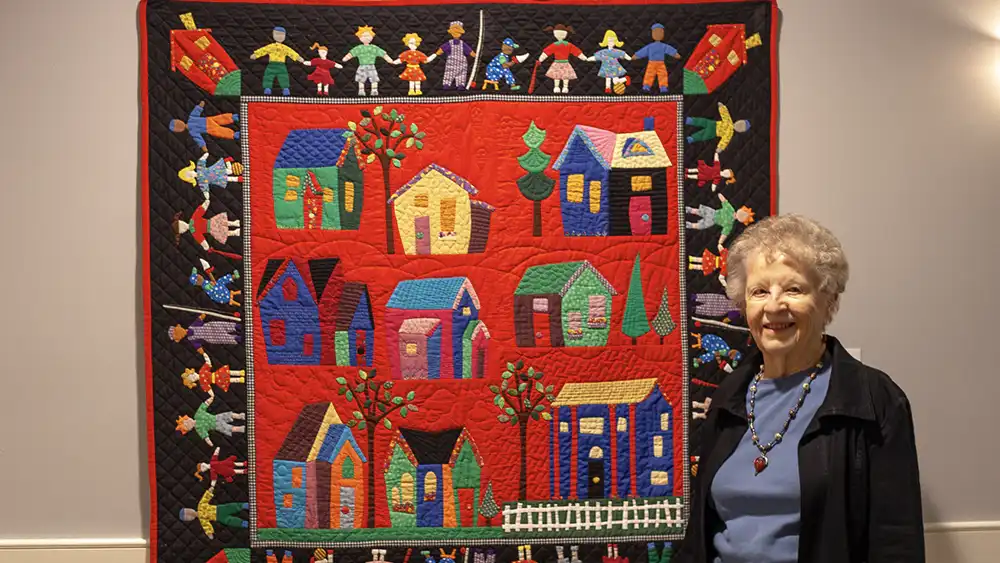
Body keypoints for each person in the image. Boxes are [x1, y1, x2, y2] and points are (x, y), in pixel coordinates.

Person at [675, 215, 924, 562]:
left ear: (828, 301)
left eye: (793, 289)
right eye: (759, 292)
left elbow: (895, 541)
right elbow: (701, 533)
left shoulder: (872, 398)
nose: (774, 306)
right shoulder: (728, 396)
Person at [685, 193, 754, 250]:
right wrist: (720, 242)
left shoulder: (731, 210)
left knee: (699, 212)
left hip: (712, 213)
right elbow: (724, 234)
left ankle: (689, 211)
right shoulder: (730, 224)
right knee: (700, 223)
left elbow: (724, 201)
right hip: (712, 219)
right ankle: (690, 224)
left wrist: (720, 195)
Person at [179, 482, 248, 539]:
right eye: (188, 517)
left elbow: (205, 498)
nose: (190, 516)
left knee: (231, 507)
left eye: (188, 514)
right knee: (230, 520)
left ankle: (242, 506)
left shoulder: (200, 506)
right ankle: (241, 523)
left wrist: (210, 491)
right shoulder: (202, 519)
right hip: (219, 517)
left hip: (219, 509)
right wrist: (209, 534)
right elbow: (206, 526)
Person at [343, 25, 398, 96]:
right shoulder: (359, 48)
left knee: (374, 79)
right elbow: (351, 53)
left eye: (368, 35)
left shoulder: (374, 48)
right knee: (361, 80)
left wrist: (389, 60)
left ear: (372, 37)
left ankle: (374, 90)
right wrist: (346, 58)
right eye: (364, 36)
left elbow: (383, 54)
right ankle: (361, 91)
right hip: (362, 66)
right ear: (360, 37)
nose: (366, 37)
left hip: (371, 66)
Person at [250, 26, 304, 96]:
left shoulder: (285, 48)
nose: (280, 36)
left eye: (282, 35)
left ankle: (285, 88)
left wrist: (298, 57)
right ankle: (267, 88)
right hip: (272, 64)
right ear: (273, 35)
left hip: (281, 65)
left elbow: (291, 52)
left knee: (283, 76)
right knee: (268, 76)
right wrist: (256, 54)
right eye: (277, 34)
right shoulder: (271, 46)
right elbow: (264, 50)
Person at [537, 24, 588, 94]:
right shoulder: (567, 45)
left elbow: (546, 52)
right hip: (564, 63)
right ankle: (563, 87)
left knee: (557, 76)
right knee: (564, 76)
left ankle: (558, 87)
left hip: (558, 62)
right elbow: (576, 51)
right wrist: (583, 57)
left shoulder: (555, 45)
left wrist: (541, 59)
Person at [169, 101, 239, 152]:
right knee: (220, 122)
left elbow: (199, 139)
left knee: (220, 129)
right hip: (208, 123)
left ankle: (234, 132)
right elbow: (199, 139)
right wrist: (200, 106)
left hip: (209, 125)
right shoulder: (191, 121)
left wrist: (203, 147)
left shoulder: (192, 129)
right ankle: (233, 119)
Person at [633, 23, 681, 94]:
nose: (658, 34)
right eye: (656, 32)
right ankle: (646, 86)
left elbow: (669, 49)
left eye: (660, 32)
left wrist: (675, 54)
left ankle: (663, 87)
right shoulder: (650, 46)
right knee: (649, 74)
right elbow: (643, 51)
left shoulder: (663, 46)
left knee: (662, 75)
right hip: (651, 63)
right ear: (652, 34)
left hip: (661, 63)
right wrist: (636, 55)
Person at [686, 102, 750, 153]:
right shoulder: (729, 121)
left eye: (741, 127)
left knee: (703, 134)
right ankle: (691, 121)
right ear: (738, 121)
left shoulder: (730, 133)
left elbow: (724, 141)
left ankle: (692, 138)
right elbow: (725, 114)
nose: (738, 126)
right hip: (713, 124)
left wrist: (720, 148)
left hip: (713, 132)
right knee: (702, 121)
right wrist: (721, 107)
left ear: (740, 131)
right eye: (740, 124)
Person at [177, 153, 242, 199]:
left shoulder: (199, 171)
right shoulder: (201, 180)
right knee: (227, 178)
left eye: (190, 172)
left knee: (228, 172)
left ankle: (227, 161)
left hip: (214, 171)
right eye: (190, 175)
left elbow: (201, 161)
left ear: (190, 169)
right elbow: (204, 188)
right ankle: (237, 178)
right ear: (190, 179)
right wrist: (206, 194)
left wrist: (204, 156)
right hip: (216, 179)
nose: (192, 174)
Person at [588, 30, 631, 94]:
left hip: (614, 68)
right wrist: (590, 58)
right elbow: (597, 57)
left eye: (613, 40)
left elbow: (622, 54)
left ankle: (625, 79)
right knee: (607, 78)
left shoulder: (615, 51)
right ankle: (608, 88)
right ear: (606, 41)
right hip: (606, 67)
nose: (611, 42)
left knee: (615, 81)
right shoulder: (604, 52)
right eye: (609, 40)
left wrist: (629, 58)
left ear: (615, 42)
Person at [435, 21, 476, 90]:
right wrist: (437, 53)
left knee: (461, 75)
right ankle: (446, 85)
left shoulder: (462, 44)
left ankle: (460, 85)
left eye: (458, 32)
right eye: (454, 32)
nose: (456, 34)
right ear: (451, 32)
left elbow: (469, 51)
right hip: (451, 64)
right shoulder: (449, 43)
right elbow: (442, 49)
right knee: (448, 74)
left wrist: (474, 55)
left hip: (461, 64)